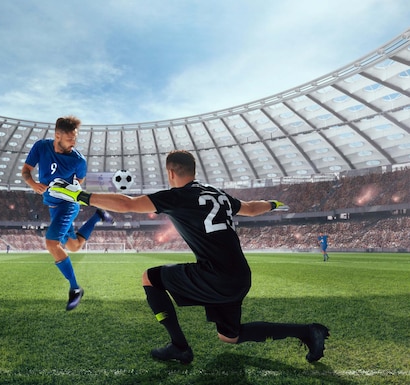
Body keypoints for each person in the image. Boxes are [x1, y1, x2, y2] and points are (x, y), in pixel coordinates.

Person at [49, 150, 330, 364]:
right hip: (240, 276)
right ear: (193, 171)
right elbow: (251, 208)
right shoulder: (217, 194)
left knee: (150, 278)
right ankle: (308, 332)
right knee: (229, 337)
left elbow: (127, 204)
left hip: (215, 276)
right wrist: (273, 203)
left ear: (171, 173)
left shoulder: (176, 196)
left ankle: (179, 347)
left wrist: (79, 195)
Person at [21, 115, 114, 311]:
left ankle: (75, 288)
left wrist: (65, 189)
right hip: (52, 206)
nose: (74, 142)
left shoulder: (78, 160)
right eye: (70, 138)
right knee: (74, 246)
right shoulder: (41, 147)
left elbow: (78, 184)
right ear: (57, 135)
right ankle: (97, 216)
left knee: (51, 243)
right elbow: (26, 170)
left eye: (75, 138)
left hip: (68, 205)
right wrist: (33, 184)